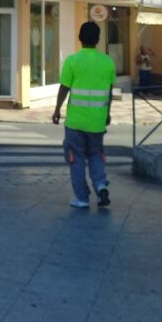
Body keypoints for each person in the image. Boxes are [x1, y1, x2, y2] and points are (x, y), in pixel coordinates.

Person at [52, 21, 116, 209]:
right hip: (97, 122)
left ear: (80, 38)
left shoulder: (72, 61)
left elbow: (64, 89)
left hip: (76, 122)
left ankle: (82, 198)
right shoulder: (108, 62)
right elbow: (109, 91)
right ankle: (101, 185)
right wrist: (107, 113)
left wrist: (57, 110)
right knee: (96, 154)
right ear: (98, 39)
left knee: (76, 158)